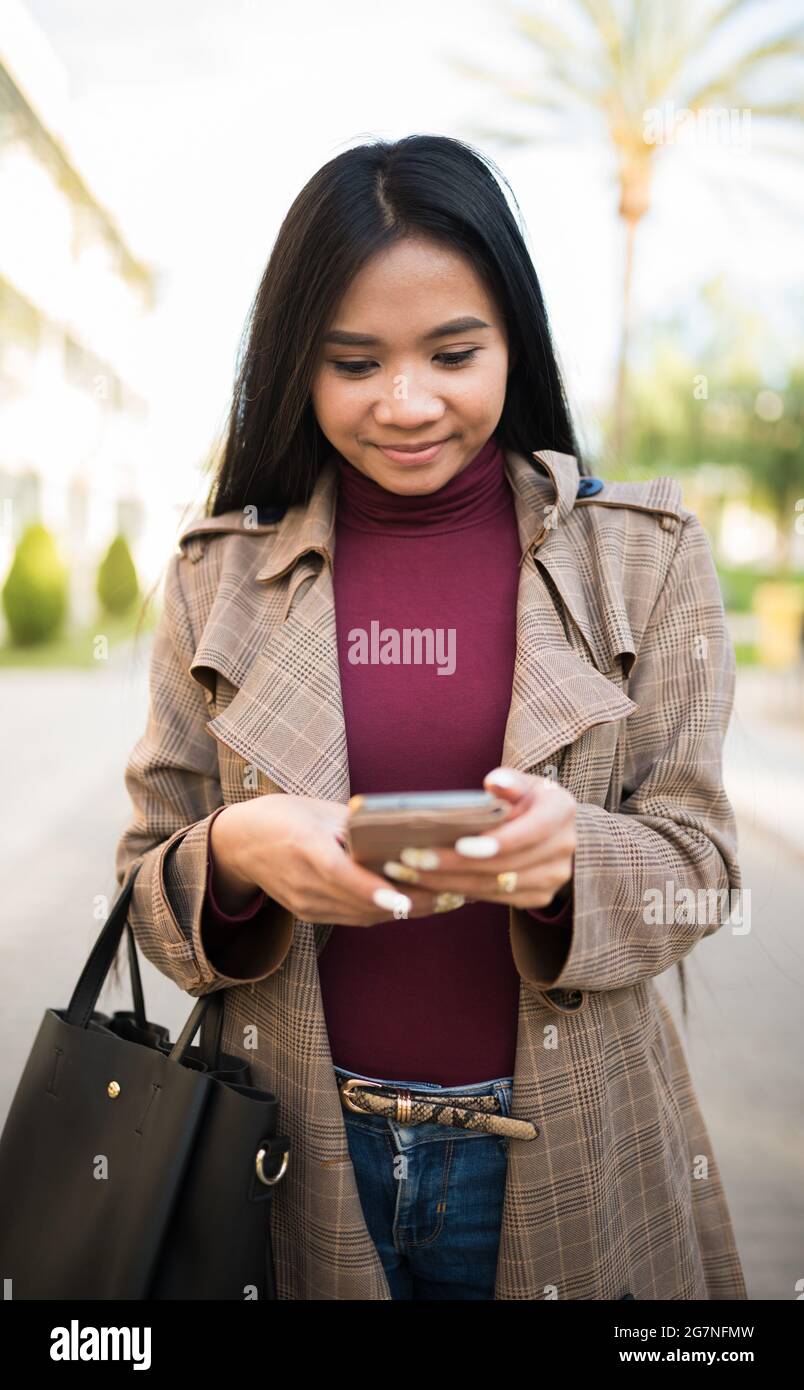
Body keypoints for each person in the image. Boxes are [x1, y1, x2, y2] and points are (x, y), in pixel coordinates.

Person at [115, 134, 747, 1301]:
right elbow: (149, 883)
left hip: (562, 1152)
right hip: (289, 1152)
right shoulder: (218, 577)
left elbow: (703, 867)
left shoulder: (646, 564)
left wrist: (575, 856)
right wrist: (237, 854)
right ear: (298, 365)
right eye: (354, 362)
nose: (406, 403)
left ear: (513, 338)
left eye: (454, 352)